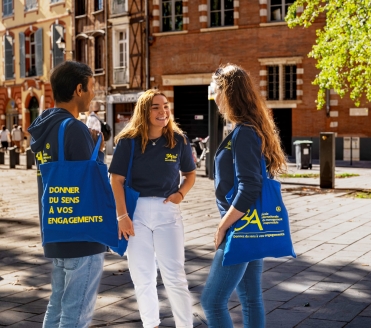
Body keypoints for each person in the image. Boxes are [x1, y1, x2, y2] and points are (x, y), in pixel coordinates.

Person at [200, 64, 287, 328]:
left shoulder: (245, 133)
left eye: (216, 90)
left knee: (212, 302)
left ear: (228, 93)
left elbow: (249, 187)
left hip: (240, 227)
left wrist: (222, 225)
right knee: (249, 298)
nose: (214, 96)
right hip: (250, 225)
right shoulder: (246, 129)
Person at [108, 89, 196, 328]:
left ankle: (185, 325)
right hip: (136, 214)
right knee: (142, 277)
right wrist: (122, 216)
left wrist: (180, 194)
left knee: (175, 276)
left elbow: (190, 174)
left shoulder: (179, 140)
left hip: (168, 213)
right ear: (144, 111)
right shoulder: (129, 141)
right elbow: (116, 180)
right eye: (156, 107)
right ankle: (151, 324)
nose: (162, 111)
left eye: (165, 106)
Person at [27, 61, 106, 328]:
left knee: (58, 306)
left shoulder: (44, 127)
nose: (93, 94)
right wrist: (99, 149)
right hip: (82, 233)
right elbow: (91, 181)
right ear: (78, 89)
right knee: (76, 313)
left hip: (57, 229)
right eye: (91, 88)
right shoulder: (73, 128)